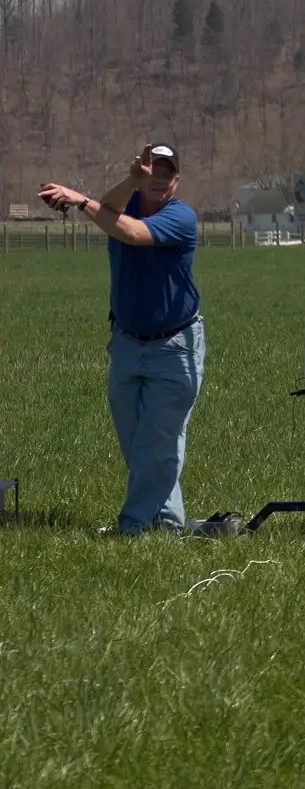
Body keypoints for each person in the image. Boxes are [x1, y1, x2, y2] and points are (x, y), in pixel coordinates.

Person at [38, 142, 206, 535]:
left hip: (174, 346)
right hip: (127, 342)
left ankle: (133, 527)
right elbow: (111, 210)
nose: (159, 180)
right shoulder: (124, 205)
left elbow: (130, 233)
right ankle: (167, 523)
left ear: (176, 181)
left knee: (159, 441)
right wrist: (130, 181)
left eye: (166, 174)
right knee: (136, 441)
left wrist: (81, 200)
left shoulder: (180, 217)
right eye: (153, 172)